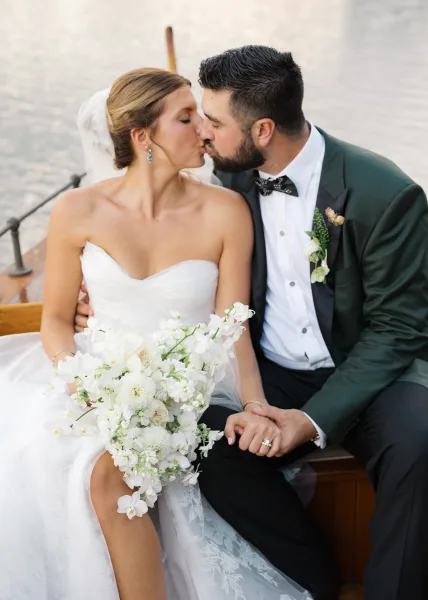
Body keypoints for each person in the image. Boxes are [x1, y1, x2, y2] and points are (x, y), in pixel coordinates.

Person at [75, 45, 428, 600]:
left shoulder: (385, 193)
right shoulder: (229, 183)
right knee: (207, 445)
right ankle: (314, 577)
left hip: (366, 369)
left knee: (419, 441)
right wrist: (92, 294)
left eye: (212, 122)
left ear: (262, 129)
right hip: (268, 368)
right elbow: (165, 247)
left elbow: (398, 330)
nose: (203, 136)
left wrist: (309, 421)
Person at [0, 67, 314, 600]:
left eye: (203, 117)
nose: (205, 130)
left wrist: (255, 402)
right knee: (88, 467)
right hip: (97, 377)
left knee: (109, 473)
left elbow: (232, 323)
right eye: (187, 118)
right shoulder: (79, 209)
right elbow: (55, 320)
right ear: (143, 137)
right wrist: (80, 382)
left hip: (192, 382)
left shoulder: (225, 210)